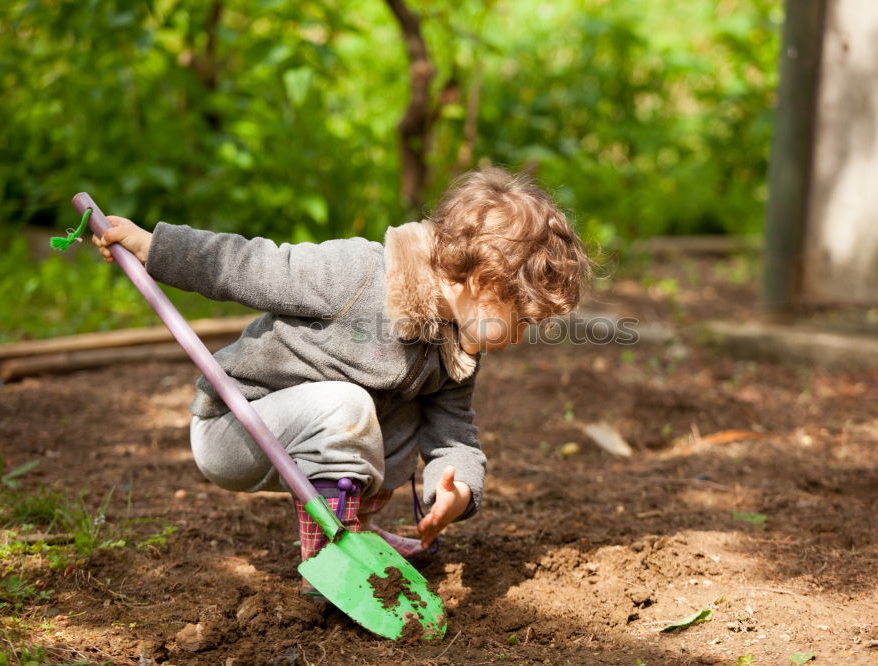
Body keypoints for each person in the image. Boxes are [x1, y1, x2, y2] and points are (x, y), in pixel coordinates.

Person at [93, 167, 590, 591]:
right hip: (238, 427)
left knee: (396, 408)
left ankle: (358, 530)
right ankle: (328, 558)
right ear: (481, 282)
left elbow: (455, 434)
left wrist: (455, 490)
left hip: (306, 445)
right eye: (520, 319)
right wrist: (155, 246)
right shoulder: (357, 274)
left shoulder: (455, 348)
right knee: (350, 405)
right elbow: (251, 265)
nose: (522, 336)